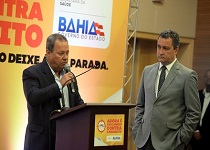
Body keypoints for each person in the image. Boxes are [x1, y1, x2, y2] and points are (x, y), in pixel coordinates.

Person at [132, 29, 201, 150]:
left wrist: (182, 138)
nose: (160, 52)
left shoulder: (187, 75)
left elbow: (194, 112)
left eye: (165, 48)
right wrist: (137, 130)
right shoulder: (147, 71)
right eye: (158, 47)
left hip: (171, 143)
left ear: (176, 50)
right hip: (144, 141)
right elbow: (140, 105)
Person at [22, 33, 84, 150]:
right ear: (48, 52)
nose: (65, 57)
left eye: (67, 53)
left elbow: (77, 101)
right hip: (41, 142)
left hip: (67, 139)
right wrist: (59, 85)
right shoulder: (32, 73)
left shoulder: (70, 76)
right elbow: (33, 97)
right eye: (61, 53)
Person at [189, 69, 210, 149]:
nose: (208, 79)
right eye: (206, 77)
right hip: (195, 138)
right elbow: (191, 114)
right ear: (204, 79)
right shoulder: (197, 94)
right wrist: (196, 131)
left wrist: (202, 134)